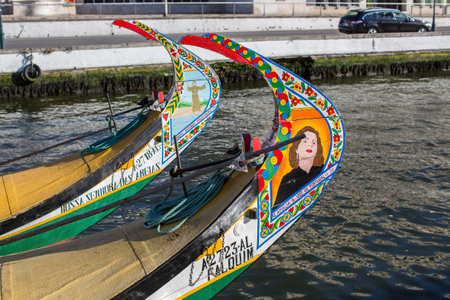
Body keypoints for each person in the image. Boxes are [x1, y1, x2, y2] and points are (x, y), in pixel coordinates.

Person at [273, 126, 324, 207]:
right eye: (305, 141)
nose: (310, 145)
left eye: (314, 142)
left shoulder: (322, 171)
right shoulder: (287, 179)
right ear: (296, 148)